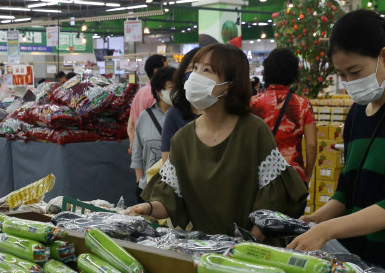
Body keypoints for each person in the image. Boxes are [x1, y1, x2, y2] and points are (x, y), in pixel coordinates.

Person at [289, 9, 385, 273]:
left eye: (355, 71)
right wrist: (314, 220)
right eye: (342, 75)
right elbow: (347, 191)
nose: (350, 82)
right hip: (362, 261)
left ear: (384, 57)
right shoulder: (357, 114)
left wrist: (326, 230)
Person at [130, 43, 307, 237]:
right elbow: (169, 199)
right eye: (195, 68)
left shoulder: (254, 132)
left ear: (230, 83)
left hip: (253, 250)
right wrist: (148, 208)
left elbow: (271, 202)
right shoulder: (182, 139)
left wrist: (247, 245)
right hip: (206, 249)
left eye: (207, 70)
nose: (195, 76)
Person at [251, 48, 317, 185]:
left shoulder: (254, 103)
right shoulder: (302, 105)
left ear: (267, 72)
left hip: (260, 175)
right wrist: (308, 173)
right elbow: (311, 144)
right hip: (293, 177)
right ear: (293, 74)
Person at [131, 64, 177, 196]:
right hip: (150, 187)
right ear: (158, 91)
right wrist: (140, 183)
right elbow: (137, 153)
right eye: (172, 88)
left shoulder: (184, 116)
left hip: (177, 188)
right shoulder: (145, 117)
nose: (176, 92)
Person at [160, 47, 200, 164]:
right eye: (193, 67)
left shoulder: (222, 114)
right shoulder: (175, 115)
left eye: (207, 69)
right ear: (182, 77)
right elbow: (167, 160)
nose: (199, 73)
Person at [127, 54, 168, 148]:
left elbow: (131, 123)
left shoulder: (140, 92)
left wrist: (132, 142)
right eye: (166, 69)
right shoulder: (156, 95)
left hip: (141, 144)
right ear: (156, 71)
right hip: (154, 146)